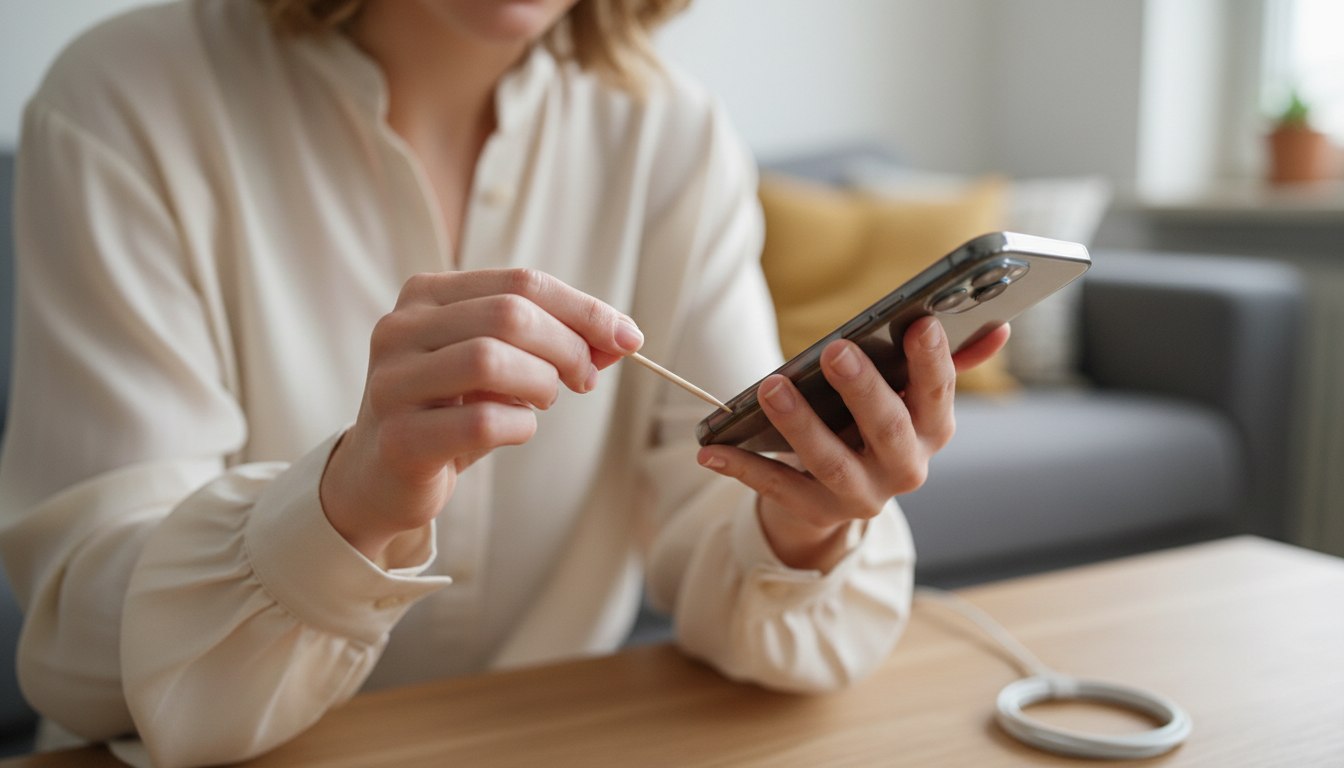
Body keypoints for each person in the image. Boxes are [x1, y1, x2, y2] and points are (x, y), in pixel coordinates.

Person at [0, 0, 1008, 765]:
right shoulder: (125, 99)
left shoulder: (669, 133)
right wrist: (348, 504)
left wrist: (807, 522)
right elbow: (86, 657)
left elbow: (725, 539)